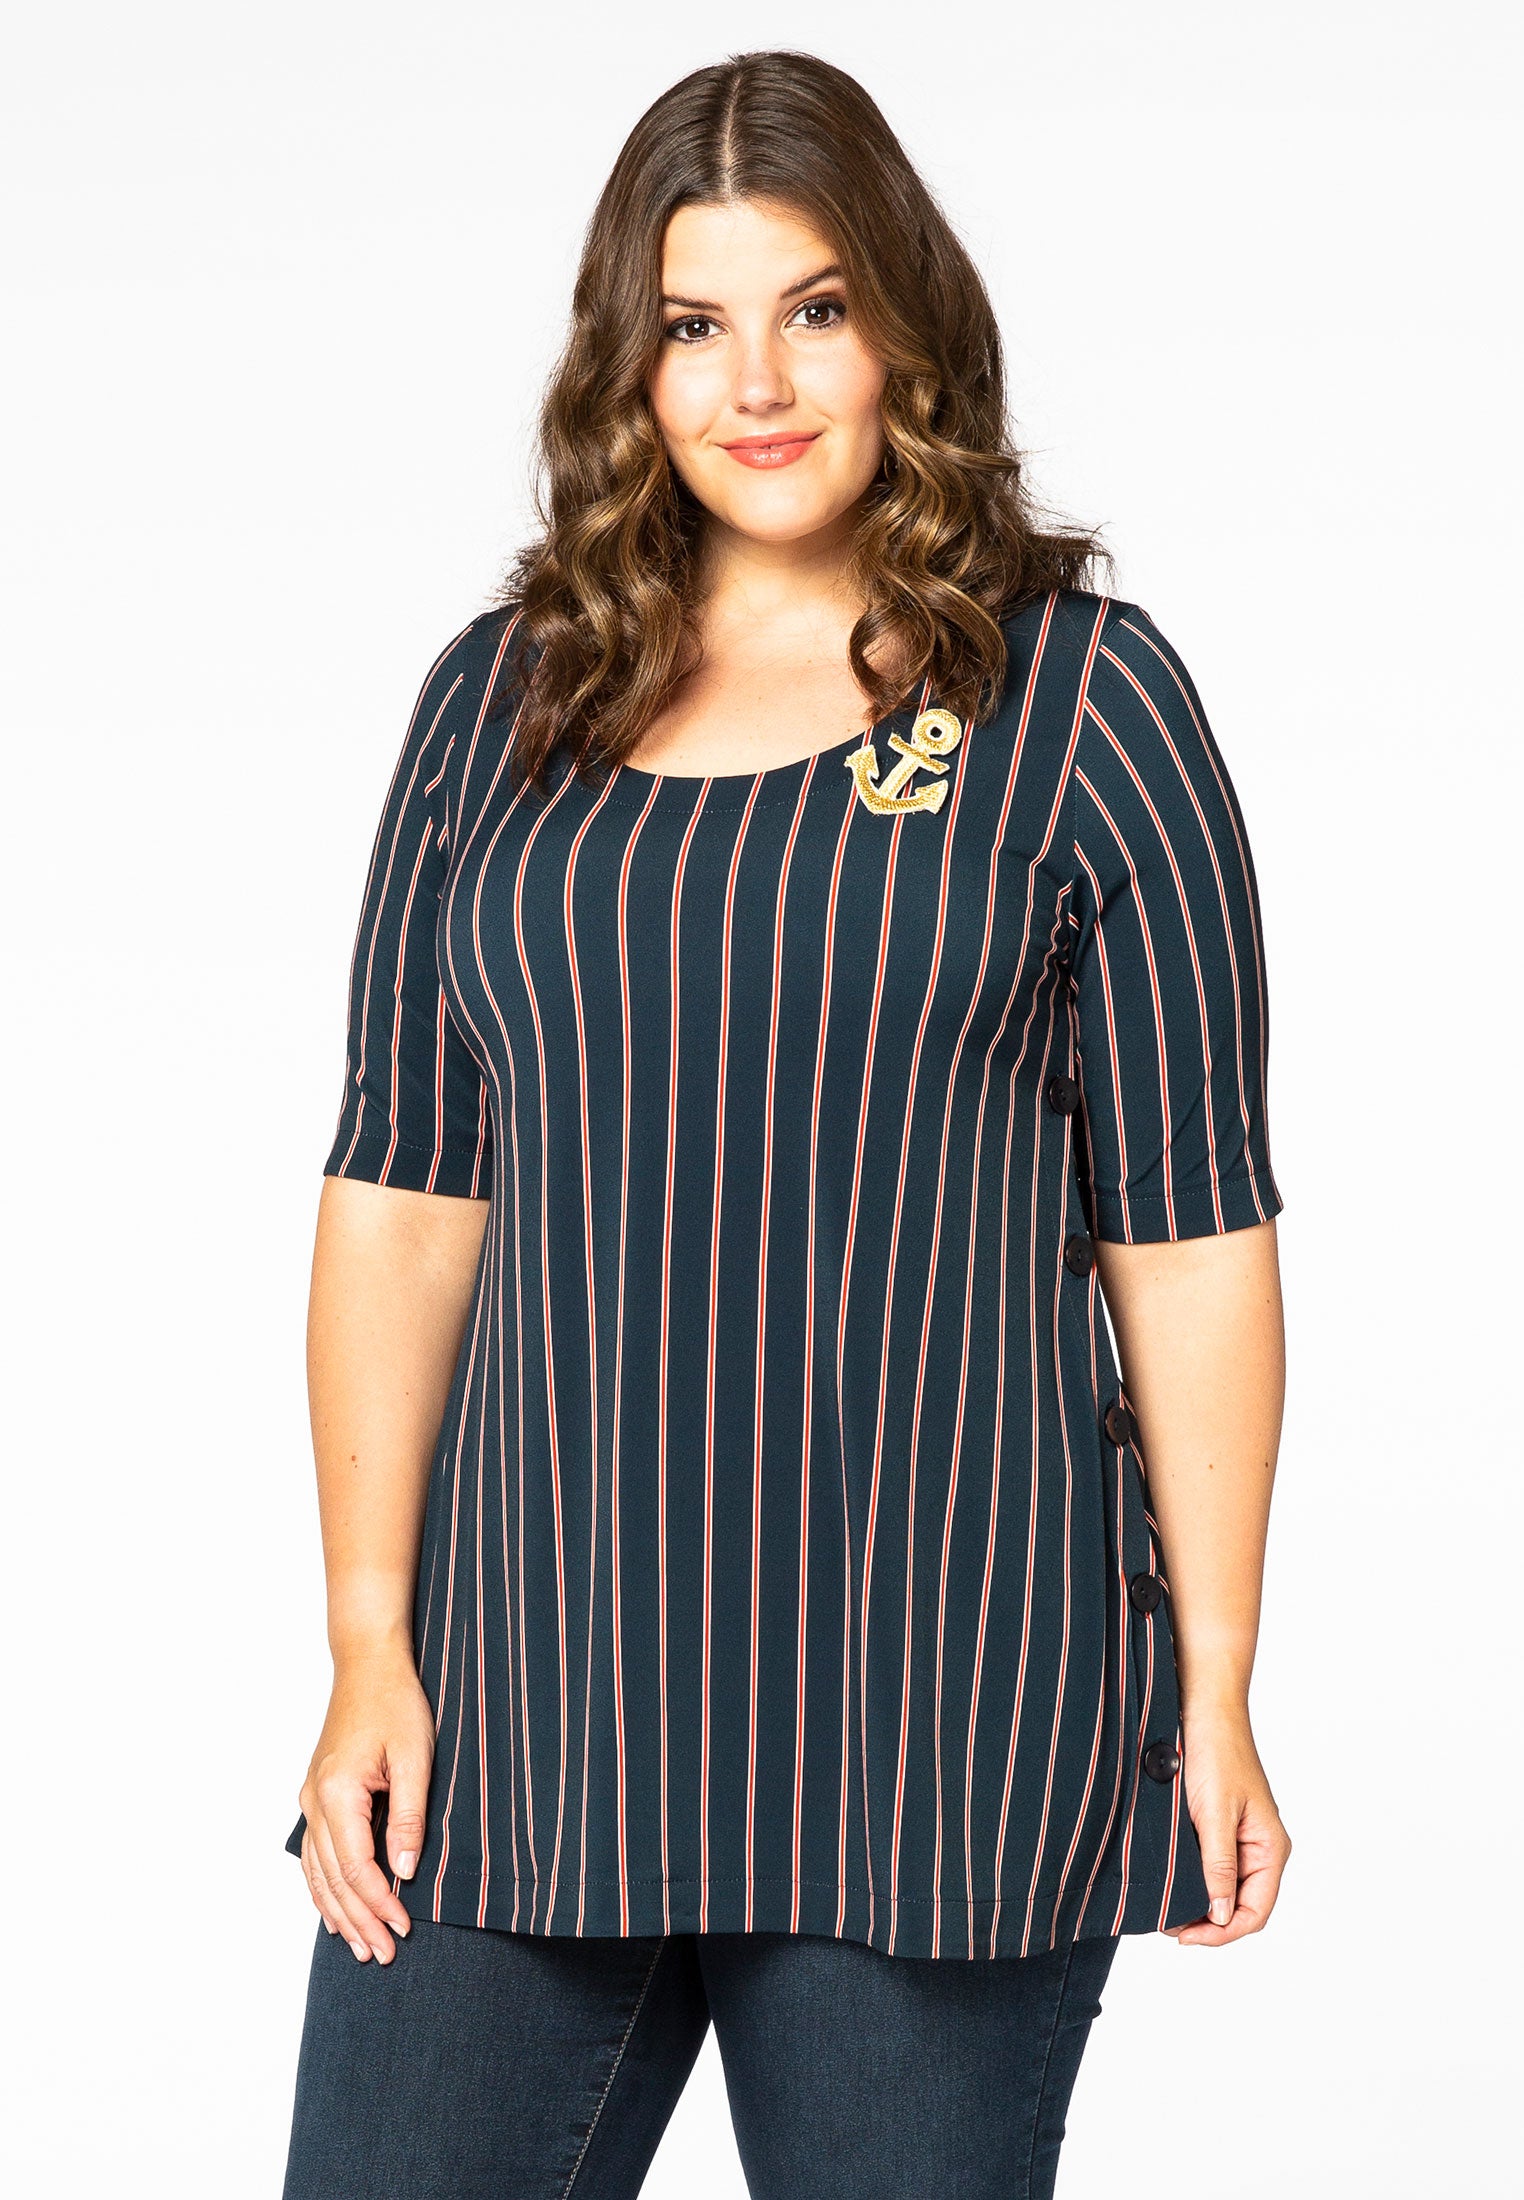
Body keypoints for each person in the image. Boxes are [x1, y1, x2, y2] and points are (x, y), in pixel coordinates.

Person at [279, 47, 1291, 2200]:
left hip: (939, 1710)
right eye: (694, 323)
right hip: (530, 1699)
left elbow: (1191, 1227)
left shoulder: (1081, 702)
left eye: (815, 309)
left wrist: (1214, 1679)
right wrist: (370, 1639)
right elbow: (403, 1194)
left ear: (906, 322)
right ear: (626, 365)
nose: (757, 382)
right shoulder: (502, 702)